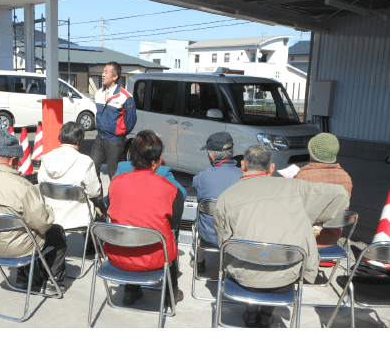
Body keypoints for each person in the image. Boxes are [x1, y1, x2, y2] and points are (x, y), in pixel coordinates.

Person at [213, 145, 349, 327]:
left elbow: (223, 243)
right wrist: (314, 218)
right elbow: (340, 194)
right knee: (275, 265)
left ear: (243, 165)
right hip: (287, 277)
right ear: (271, 168)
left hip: (243, 279)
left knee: (245, 259)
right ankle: (266, 316)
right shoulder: (295, 187)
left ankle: (251, 314)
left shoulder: (226, 197)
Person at [0, 129, 67, 291]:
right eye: (18, 161)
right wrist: (49, 211)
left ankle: (25, 278)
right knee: (55, 231)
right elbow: (43, 224)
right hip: (16, 248)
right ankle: (54, 282)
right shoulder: (21, 186)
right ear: (12, 160)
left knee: (21, 227)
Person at [104, 130, 184, 306]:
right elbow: (174, 222)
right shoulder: (171, 190)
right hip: (155, 258)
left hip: (118, 256)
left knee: (131, 226)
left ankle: (130, 292)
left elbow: (110, 210)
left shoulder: (115, 183)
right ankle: (171, 294)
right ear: (155, 162)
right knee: (170, 234)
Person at [38, 122, 101, 254]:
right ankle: (93, 249)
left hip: (51, 215)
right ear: (79, 141)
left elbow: (41, 186)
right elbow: (94, 192)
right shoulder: (85, 161)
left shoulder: (46, 159)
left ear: (60, 138)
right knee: (100, 206)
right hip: (77, 217)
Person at [191, 132, 242, 273]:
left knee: (200, 217)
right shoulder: (244, 177)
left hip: (209, 236)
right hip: (237, 237)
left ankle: (199, 261)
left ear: (212, 156)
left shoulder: (200, 178)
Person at [294, 133, 353, 248]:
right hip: (331, 240)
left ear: (311, 154)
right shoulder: (345, 177)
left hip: (304, 240)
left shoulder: (302, 176)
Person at [91, 62, 137, 201]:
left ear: (115, 76)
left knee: (114, 175)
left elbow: (131, 121)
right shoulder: (99, 93)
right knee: (92, 169)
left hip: (115, 141)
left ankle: (114, 203)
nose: (103, 74)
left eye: (106, 72)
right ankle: (99, 201)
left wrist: (120, 132)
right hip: (100, 138)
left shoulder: (125, 96)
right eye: (103, 71)